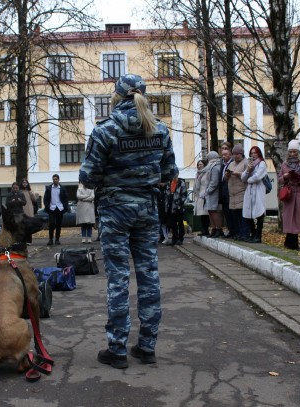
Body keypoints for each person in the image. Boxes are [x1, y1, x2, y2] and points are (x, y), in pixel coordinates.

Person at [79, 74, 178, 369]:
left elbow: (88, 176)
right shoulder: (159, 129)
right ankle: (147, 347)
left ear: (117, 96)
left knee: (118, 278)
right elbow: (169, 172)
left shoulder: (105, 131)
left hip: (115, 212)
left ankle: (118, 349)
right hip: (147, 210)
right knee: (149, 277)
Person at [279, 139, 300, 250]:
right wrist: (285, 177)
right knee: (290, 219)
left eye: (295, 152)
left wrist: (299, 177)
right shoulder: (285, 164)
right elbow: (279, 178)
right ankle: (291, 243)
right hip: (289, 195)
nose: (293, 154)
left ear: (298, 152)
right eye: (291, 152)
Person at [241, 146, 268, 243]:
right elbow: (243, 177)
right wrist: (248, 170)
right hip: (250, 190)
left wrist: (249, 179)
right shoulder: (250, 164)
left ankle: (258, 235)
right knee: (249, 212)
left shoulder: (262, 163)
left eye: (255, 153)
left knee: (259, 211)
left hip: (258, 189)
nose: (253, 155)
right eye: (251, 153)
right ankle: (253, 233)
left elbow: (258, 176)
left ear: (259, 153)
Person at [227, 145, 249, 241]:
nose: (235, 156)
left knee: (242, 215)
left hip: (241, 192)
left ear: (241, 154)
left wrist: (238, 174)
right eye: (233, 154)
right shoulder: (231, 164)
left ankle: (244, 233)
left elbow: (247, 175)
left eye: (236, 154)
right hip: (232, 194)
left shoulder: (246, 162)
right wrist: (227, 175)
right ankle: (238, 233)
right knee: (235, 216)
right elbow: (225, 178)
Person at [201, 151, 223, 238]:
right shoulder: (212, 166)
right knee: (210, 211)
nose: (208, 159)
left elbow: (214, 182)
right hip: (211, 193)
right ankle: (213, 229)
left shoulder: (214, 167)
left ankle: (218, 229)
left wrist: (208, 191)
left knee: (214, 211)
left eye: (208, 157)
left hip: (213, 193)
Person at [43, 174, 69, 246]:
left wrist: (64, 206)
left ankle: (57, 239)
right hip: (52, 208)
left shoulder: (62, 188)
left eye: (56, 179)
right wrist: (48, 206)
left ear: (58, 180)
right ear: (52, 180)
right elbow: (45, 199)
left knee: (58, 224)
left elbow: (66, 198)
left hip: (60, 208)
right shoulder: (49, 188)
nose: (55, 180)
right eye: (54, 179)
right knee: (51, 224)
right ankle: (50, 239)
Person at [165, 174, 188, 245]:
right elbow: (167, 193)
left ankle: (180, 238)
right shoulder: (169, 182)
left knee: (180, 223)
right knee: (173, 223)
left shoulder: (181, 182)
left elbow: (184, 194)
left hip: (179, 206)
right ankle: (174, 238)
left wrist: (180, 203)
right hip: (171, 206)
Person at [219, 142, 234, 238]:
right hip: (223, 192)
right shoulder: (222, 164)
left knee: (231, 213)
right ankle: (230, 229)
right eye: (222, 149)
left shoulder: (232, 163)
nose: (223, 155)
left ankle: (233, 230)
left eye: (226, 149)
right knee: (226, 213)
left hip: (230, 191)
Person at [193, 159, 210, 236]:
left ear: (204, 165)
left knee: (205, 214)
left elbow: (206, 183)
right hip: (199, 195)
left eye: (201, 164)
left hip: (204, 195)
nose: (199, 166)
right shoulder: (197, 174)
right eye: (198, 165)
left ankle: (206, 230)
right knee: (201, 215)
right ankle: (203, 229)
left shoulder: (206, 173)